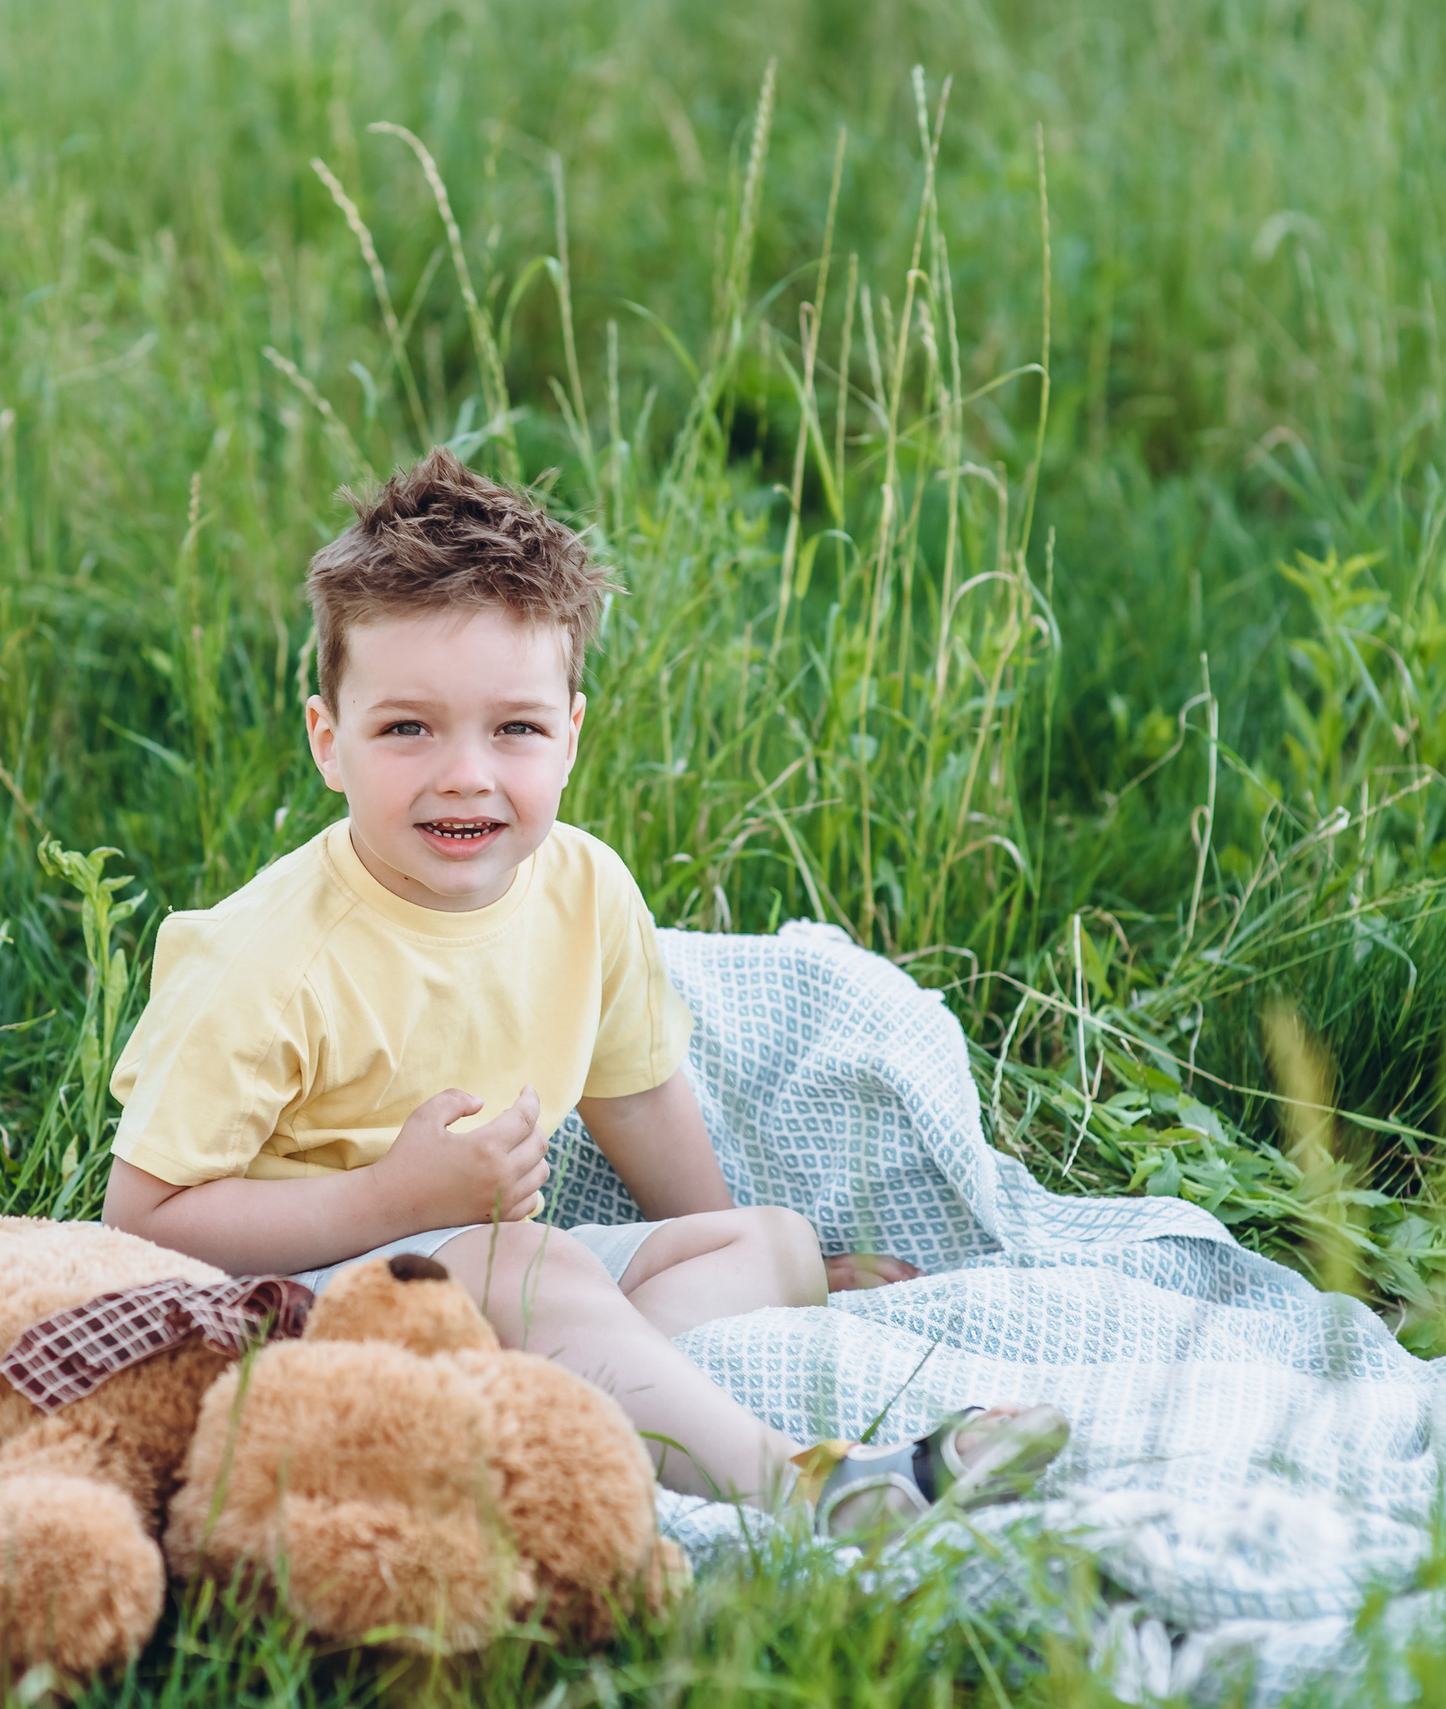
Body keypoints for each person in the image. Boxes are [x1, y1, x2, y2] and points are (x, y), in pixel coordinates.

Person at [102, 449, 1063, 1523]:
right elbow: (144, 1220)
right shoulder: (266, 959)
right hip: (295, 1303)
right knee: (537, 1266)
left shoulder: (585, 888)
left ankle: (555, 1403)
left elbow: (635, 1091)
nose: (464, 771)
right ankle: (817, 1488)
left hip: (486, 1268)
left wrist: (729, 1252)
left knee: (768, 1241)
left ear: (570, 736)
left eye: (514, 727)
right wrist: (397, 1201)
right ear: (329, 741)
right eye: (406, 727)